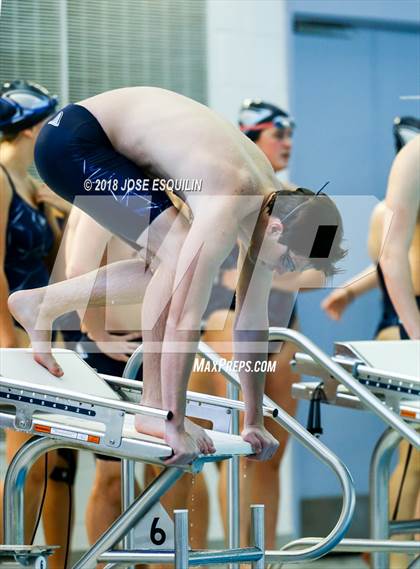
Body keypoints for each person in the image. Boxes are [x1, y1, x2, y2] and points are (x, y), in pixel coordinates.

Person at [8, 86, 346, 468]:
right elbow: (184, 319)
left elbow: (252, 324)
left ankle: (41, 303)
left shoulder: (267, 211)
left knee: (170, 257)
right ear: (278, 229)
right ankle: (152, 406)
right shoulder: (229, 197)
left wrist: (253, 419)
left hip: (95, 142)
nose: (284, 271)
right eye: (288, 262)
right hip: (74, 141)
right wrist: (173, 419)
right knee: (175, 256)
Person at [186, 99, 325, 550]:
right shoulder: (218, 193)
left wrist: (259, 271)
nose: (286, 143)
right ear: (250, 139)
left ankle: (256, 560)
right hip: (224, 332)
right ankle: (224, 556)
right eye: (276, 134)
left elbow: (320, 271)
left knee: (268, 457)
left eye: (290, 135)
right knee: (230, 455)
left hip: (281, 338)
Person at [322, 116, 420, 569]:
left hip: (400, 318)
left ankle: (393, 549)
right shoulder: (395, 207)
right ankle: (393, 554)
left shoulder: (388, 207)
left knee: (411, 453)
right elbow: (390, 260)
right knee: (409, 453)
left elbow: (375, 269)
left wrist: (346, 292)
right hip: (403, 324)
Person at [0, 79, 74, 568]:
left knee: (58, 461)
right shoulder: (0, 178)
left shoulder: (30, 183)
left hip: (48, 337)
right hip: (17, 336)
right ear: (31, 128)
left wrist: (56, 205)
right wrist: (6, 339)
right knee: (26, 459)